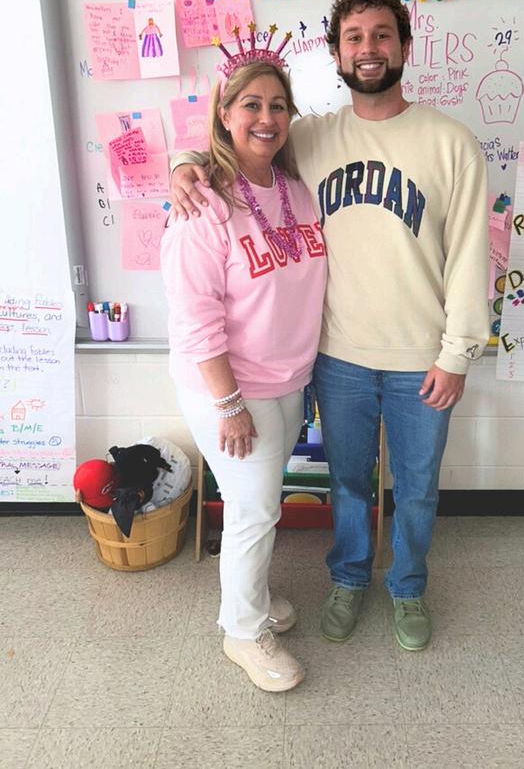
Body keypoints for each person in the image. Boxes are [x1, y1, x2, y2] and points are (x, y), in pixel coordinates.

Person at [170, 0, 489, 652]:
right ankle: (348, 578)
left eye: (381, 35)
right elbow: (237, 149)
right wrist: (183, 165)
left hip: (423, 358)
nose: (368, 49)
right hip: (337, 357)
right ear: (337, 53)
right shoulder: (310, 137)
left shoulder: (451, 143)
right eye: (354, 38)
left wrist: (459, 351)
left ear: (404, 46)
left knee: (418, 488)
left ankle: (408, 586)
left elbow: (469, 254)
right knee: (347, 483)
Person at [160, 51, 327, 692]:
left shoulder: (296, 189)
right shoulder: (201, 206)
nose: (266, 117)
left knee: (261, 504)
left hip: (287, 380)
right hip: (228, 387)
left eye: (278, 106)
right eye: (251, 105)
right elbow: (195, 320)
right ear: (225, 114)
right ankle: (241, 629)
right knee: (255, 509)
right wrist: (228, 404)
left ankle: (248, 595)